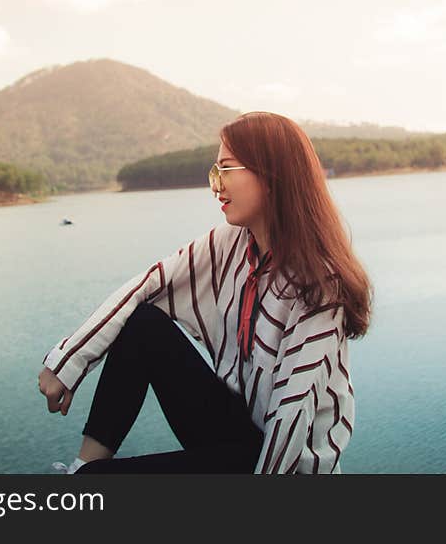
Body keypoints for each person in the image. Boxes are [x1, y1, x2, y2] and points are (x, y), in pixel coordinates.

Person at [38, 111, 372, 473]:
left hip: (280, 464)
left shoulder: (318, 286)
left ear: (272, 174)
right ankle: (80, 466)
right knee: (143, 324)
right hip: (235, 432)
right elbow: (149, 283)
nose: (216, 186)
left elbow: (291, 416)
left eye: (226, 169)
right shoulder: (230, 243)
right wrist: (68, 361)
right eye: (215, 172)